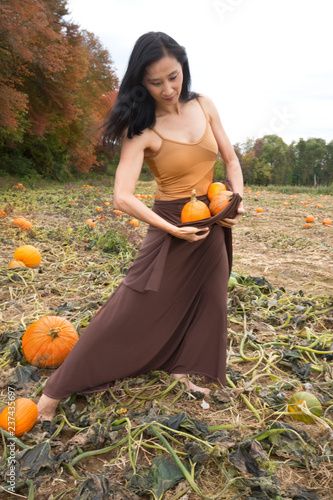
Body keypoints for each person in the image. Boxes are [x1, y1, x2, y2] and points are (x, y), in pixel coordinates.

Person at [37, 31, 244, 422]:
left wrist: (237, 199)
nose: (167, 88)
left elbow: (231, 161)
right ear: (140, 82)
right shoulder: (142, 129)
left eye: (173, 76)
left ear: (183, 68)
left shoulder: (205, 104)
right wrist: (170, 229)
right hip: (170, 222)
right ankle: (52, 395)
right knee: (129, 308)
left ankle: (186, 369)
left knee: (210, 299)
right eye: (155, 81)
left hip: (212, 218)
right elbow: (123, 196)